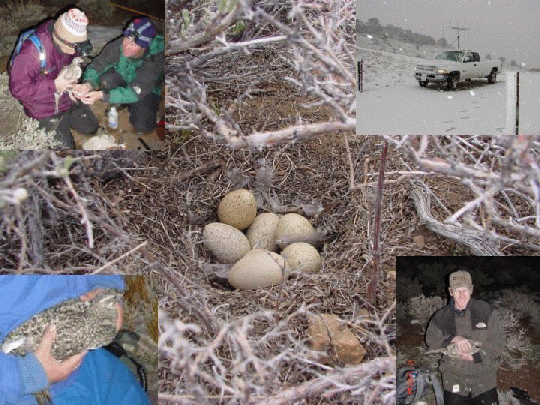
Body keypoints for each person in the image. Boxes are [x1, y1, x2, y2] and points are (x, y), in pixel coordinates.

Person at [0, 275, 150, 405]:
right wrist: (25, 374)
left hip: (89, 358)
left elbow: (98, 255)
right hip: (22, 385)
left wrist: (105, 285)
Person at [9, 8, 99, 149]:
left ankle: (66, 117)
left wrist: (74, 87)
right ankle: (54, 125)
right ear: (62, 39)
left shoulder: (71, 45)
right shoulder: (31, 52)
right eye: (75, 47)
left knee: (91, 127)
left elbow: (70, 65)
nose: (76, 52)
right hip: (43, 107)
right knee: (67, 152)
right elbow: (18, 90)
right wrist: (55, 85)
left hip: (66, 98)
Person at [425, 270, 505, 405]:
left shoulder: (485, 310)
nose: (462, 295)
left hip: (484, 378)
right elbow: (431, 341)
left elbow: (499, 340)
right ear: (451, 292)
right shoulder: (441, 317)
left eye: (465, 290)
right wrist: (452, 338)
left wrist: (476, 356)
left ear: (471, 290)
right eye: (457, 290)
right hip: (454, 378)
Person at [73, 17, 164, 135]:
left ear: (144, 47)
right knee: (104, 80)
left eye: (134, 44)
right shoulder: (119, 45)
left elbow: (136, 91)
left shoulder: (156, 58)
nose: (127, 46)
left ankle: (130, 103)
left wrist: (102, 95)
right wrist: (88, 83)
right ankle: (121, 99)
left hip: (145, 90)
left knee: (142, 126)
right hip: (124, 76)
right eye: (127, 38)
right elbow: (98, 64)